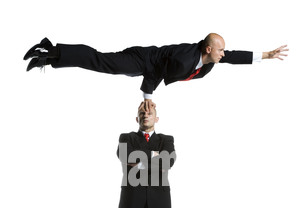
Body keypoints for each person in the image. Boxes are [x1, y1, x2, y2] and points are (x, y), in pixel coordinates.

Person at [23, 33, 288, 111]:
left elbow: (234, 57)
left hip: (151, 62)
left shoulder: (209, 58)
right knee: (101, 61)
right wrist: (147, 96)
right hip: (143, 61)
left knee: (102, 62)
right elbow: (158, 71)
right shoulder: (186, 60)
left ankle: (51, 56)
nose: (223, 54)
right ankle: (51, 52)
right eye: (219, 51)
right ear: (208, 49)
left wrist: (266, 55)